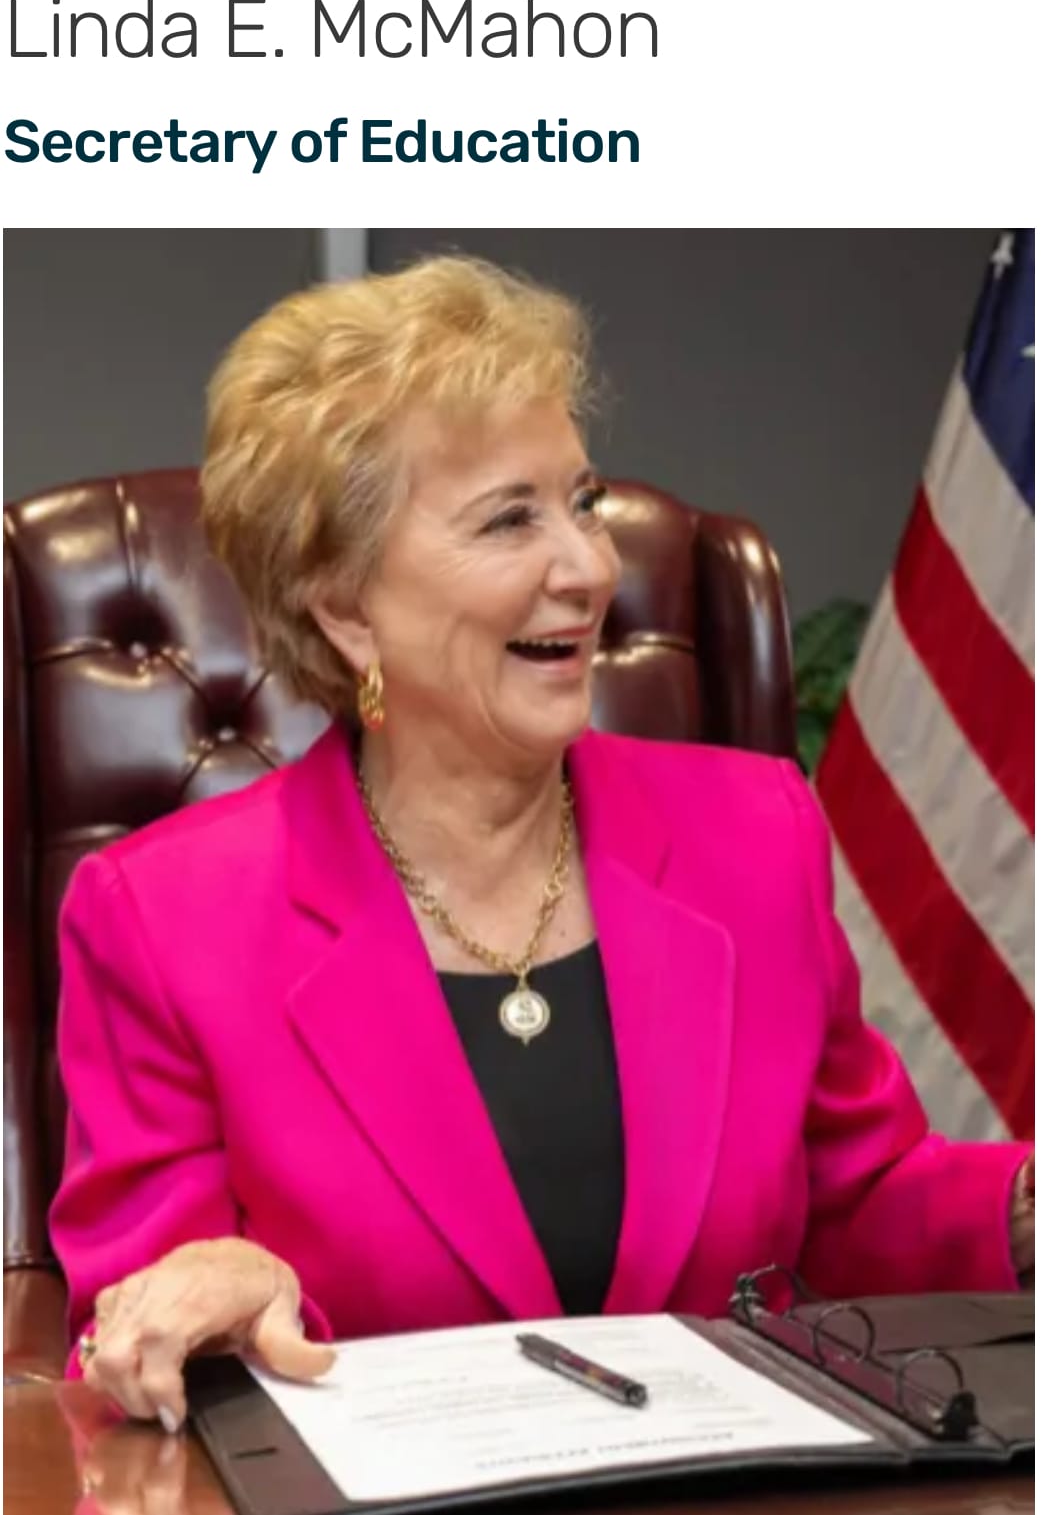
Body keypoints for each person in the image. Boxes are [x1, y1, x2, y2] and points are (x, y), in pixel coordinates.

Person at [50, 256, 1034, 1436]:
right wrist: (225, 1286)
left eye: (582, 501)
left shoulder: (754, 833)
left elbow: (851, 1199)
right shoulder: (163, 920)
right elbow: (134, 1335)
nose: (589, 566)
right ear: (347, 607)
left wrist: (1028, 1207)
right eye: (510, 519)